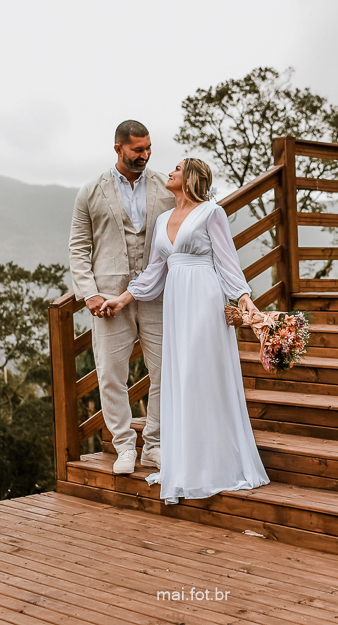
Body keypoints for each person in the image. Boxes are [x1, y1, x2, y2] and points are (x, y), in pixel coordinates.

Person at [101, 158, 270, 504]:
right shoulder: (163, 219)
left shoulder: (211, 213)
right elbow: (154, 271)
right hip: (176, 303)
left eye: (177, 169)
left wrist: (243, 298)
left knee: (200, 373)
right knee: (181, 376)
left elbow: (227, 261)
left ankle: (215, 463)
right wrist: (122, 299)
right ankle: (189, 463)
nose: (171, 172)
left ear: (191, 177)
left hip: (205, 298)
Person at [69, 120, 175, 474]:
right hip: (108, 300)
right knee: (111, 375)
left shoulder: (166, 187)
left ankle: (154, 445)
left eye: (148, 148)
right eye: (137, 150)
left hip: (157, 293)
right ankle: (125, 446)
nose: (145, 155)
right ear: (118, 148)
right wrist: (89, 294)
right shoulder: (90, 191)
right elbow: (78, 248)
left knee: (164, 371)